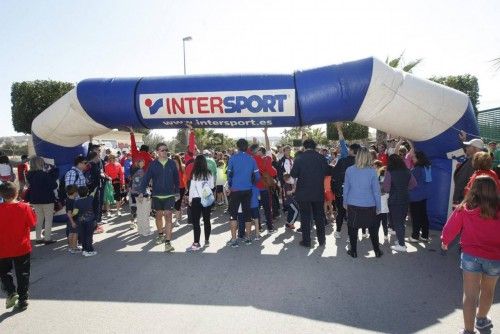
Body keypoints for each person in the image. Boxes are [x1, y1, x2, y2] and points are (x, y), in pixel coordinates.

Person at [441, 176, 500, 334]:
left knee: (470, 294)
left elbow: (450, 227)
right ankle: (481, 320)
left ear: (473, 189)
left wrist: (445, 241)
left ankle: (468, 330)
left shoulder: (466, 208)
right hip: (495, 257)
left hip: (470, 256)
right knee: (488, 291)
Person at [0, 182, 36, 311]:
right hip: (22, 246)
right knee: (23, 273)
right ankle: (23, 299)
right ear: (17, 193)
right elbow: (32, 223)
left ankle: (11, 292)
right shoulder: (24, 207)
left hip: (3, 247)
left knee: (4, 272)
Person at [138, 143, 179, 252]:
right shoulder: (153, 164)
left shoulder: (172, 163)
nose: (164, 152)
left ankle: (168, 243)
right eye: (161, 150)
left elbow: (176, 178)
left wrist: (177, 192)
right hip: (156, 195)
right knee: (158, 216)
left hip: (169, 195)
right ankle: (160, 234)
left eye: (166, 150)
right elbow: (146, 178)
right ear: (157, 152)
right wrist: (141, 191)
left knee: (169, 216)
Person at [343, 147, 383, 258]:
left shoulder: (349, 170)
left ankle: (354, 251)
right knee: (373, 230)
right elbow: (376, 191)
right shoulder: (372, 171)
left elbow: (346, 188)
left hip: (353, 203)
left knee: (352, 228)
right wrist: (379, 206)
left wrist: (344, 202)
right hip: (369, 205)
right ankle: (377, 251)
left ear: (357, 156)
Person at [291, 139, 328, 248]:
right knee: (319, 216)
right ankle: (322, 240)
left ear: (304, 146)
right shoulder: (321, 157)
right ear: (315, 146)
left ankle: (306, 241)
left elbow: (294, 173)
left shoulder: (299, 158)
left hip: (303, 193)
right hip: (318, 192)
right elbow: (326, 171)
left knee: (305, 217)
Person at [226, 138, 260, 248]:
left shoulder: (232, 158)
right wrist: (250, 182)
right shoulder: (252, 159)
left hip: (235, 190)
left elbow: (229, 175)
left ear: (237, 146)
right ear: (247, 147)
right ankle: (248, 238)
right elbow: (257, 177)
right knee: (247, 214)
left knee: (233, 215)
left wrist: (231, 185)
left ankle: (234, 240)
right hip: (247, 190)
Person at [382, 154, 417, 252]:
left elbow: (386, 187)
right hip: (405, 198)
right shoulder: (407, 171)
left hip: (394, 199)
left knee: (398, 223)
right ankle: (400, 240)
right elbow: (414, 184)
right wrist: (404, 188)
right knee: (401, 221)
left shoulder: (390, 172)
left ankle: (402, 244)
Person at [26, 156, 59, 244]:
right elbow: (54, 185)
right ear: (41, 163)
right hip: (47, 199)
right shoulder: (45, 175)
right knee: (48, 219)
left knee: (39, 219)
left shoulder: (29, 175)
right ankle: (47, 238)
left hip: (35, 199)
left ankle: (38, 238)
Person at [332, 142, 361, 239]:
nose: (348, 150)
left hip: (342, 191)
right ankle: (351, 236)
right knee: (353, 214)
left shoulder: (342, 161)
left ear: (352, 150)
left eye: (349, 149)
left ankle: (338, 231)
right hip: (356, 192)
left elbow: (334, 175)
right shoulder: (361, 163)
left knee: (341, 212)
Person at [187, 155, 214, 251]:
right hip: (206, 198)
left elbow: (192, 188)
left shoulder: (194, 174)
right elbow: (211, 186)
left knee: (196, 222)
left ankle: (196, 242)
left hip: (196, 199)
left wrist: (190, 200)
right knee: (207, 220)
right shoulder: (209, 173)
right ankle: (207, 240)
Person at [453, 133, 485, 204]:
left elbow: (462, 181)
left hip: (464, 200)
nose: (466, 148)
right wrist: (464, 141)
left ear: (475, 149)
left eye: (468, 146)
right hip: (470, 199)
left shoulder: (473, 163)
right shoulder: (480, 160)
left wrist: (456, 200)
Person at [408, 150, 432, 243]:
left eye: (413, 157)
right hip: (424, 195)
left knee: (415, 217)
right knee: (423, 215)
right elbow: (428, 181)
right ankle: (425, 235)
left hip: (415, 196)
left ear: (418, 158)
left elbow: (410, 183)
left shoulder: (416, 170)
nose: (412, 158)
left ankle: (415, 236)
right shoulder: (427, 167)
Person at [74, 186, 98, 257]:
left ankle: (84, 250)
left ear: (78, 193)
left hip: (80, 221)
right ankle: (89, 250)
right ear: (87, 192)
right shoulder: (90, 198)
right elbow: (93, 193)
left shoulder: (76, 202)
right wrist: (96, 187)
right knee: (89, 236)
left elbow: (75, 213)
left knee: (83, 236)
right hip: (90, 221)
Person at [65, 185, 80, 253]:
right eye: (77, 192)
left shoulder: (68, 199)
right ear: (74, 192)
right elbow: (69, 212)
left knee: (71, 233)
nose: (78, 193)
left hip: (70, 220)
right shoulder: (72, 201)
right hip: (73, 220)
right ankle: (74, 248)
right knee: (75, 233)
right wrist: (73, 222)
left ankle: (71, 247)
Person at [172, 154, 186, 225]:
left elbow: (185, 177)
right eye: (173, 159)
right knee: (176, 203)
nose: (174, 160)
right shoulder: (170, 167)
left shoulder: (182, 167)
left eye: (175, 159)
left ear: (178, 159)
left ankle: (176, 220)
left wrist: (186, 186)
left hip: (181, 187)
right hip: (173, 188)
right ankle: (179, 216)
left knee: (178, 203)